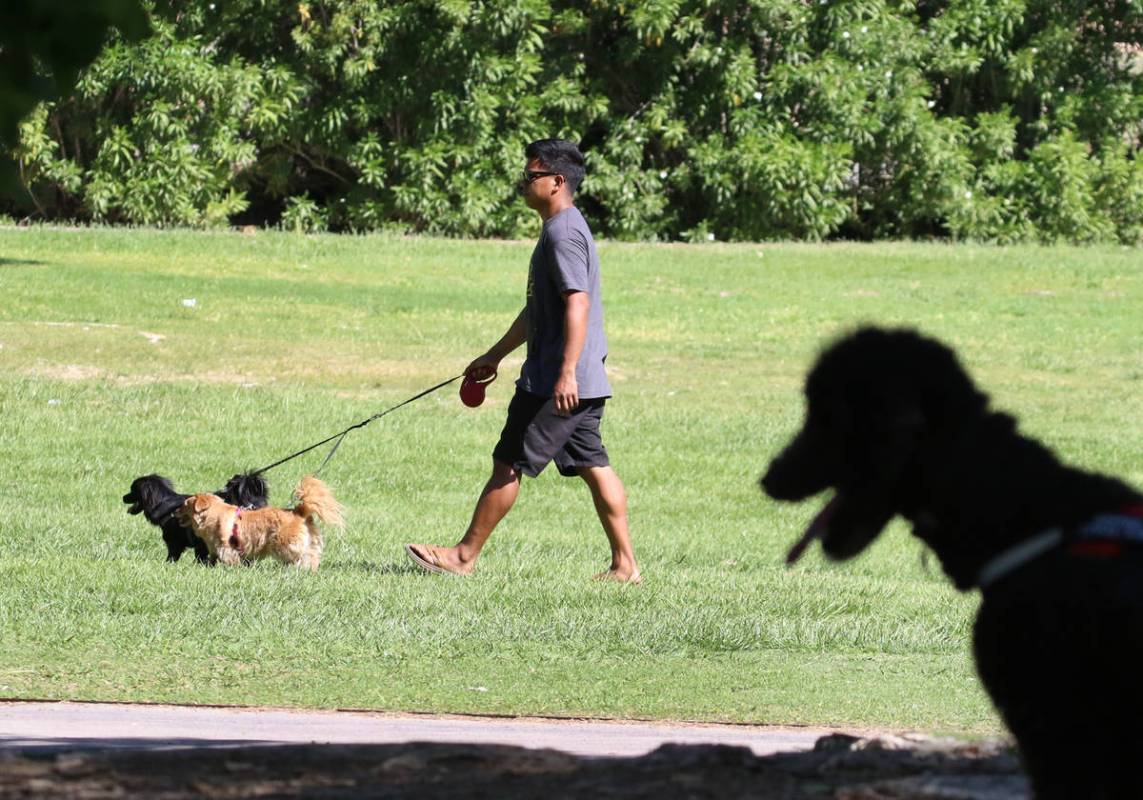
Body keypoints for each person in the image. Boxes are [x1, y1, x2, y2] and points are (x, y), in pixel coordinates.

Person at [405, 139, 641, 583]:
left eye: (531, 175)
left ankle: (463, 556)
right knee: (594, 464)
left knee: (509, 460)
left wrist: (566, 373)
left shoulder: (563, 233)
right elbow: (538, 311)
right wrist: (495, 355)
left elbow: (577, 303)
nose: (524, 182)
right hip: (579, 379)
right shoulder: (560, 229)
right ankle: (625, 565)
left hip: (558, 382)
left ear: (557, 182)